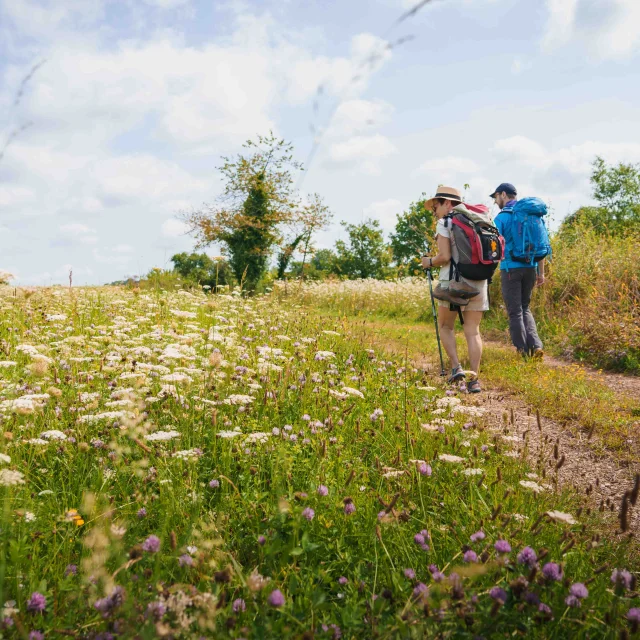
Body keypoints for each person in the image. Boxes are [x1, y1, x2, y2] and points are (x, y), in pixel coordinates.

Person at [421, 186, 488, 393]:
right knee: (473, 331)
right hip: (479, 281)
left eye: (436, 206)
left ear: (447, 203)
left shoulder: (446, 222)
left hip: (452, 284)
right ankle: (474, 379)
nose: (435, 212)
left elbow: (444, 257)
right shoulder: (482, 219)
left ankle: (456, 368)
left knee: (445, 326)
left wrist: (428, 262)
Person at [490, 182, 544, 358]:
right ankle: (536, 346)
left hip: (511, 269)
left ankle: (523, 353)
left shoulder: (502, 217)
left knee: (515, 311)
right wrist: (540, 273)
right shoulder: (531, 216)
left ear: (503, 194)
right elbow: (541, 245)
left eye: (496, 197)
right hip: (531, 267)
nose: (495, 201)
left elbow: (493, 248)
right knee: (525, 307)